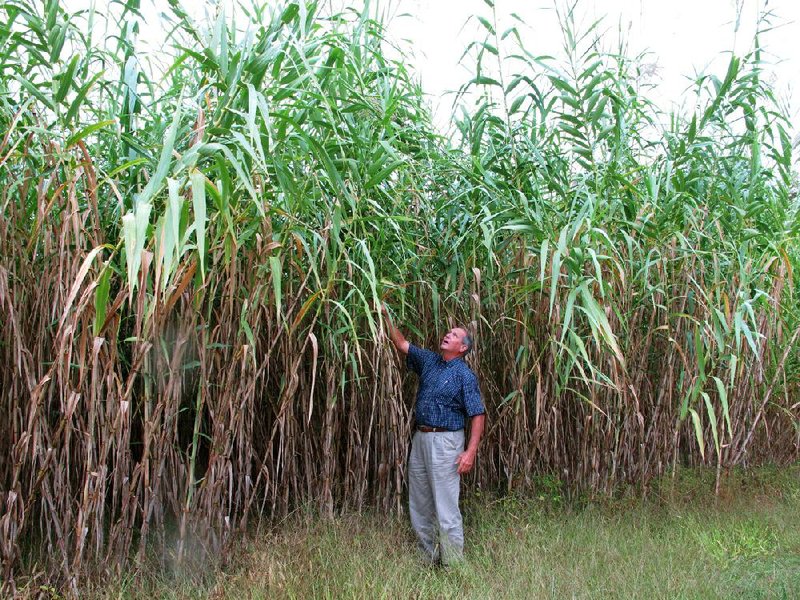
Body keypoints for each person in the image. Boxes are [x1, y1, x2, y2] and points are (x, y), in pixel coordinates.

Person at [381, 304, 486, 566]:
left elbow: (478, 414)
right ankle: (426, 559)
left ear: (462, 348)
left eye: (453, 335)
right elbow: (402, 343)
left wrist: (470, 452)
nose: (447, 335)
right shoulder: (429, 361)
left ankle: (453, 565)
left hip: (447, 443)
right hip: (421, 439)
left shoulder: (464, 375)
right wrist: (385, 313)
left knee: (446, 507)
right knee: (420, 502)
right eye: (447, 332)